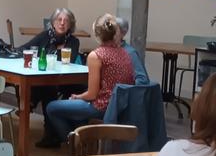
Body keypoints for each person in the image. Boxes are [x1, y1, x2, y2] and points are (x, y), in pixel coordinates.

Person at [41, 13, 134, 146]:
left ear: (97, 34)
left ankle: (74, 144)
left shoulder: (96, 55)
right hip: (121, 106)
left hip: (102, 106)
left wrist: (77, 97)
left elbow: (92, 94)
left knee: (52, 107)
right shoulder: (125, 53)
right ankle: (85, 140)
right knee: (73, 108)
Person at [24, 8, 81, 132]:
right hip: (45, 79)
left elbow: (68, 60)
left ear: (70, 24)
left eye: (66, 21)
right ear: (53, 22)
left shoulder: (74, 41)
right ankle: (50, 134)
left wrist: (48, 54)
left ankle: (31, 104)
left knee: (47, 88)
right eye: (59, 20)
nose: (62, 23)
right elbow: (25, 48)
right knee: (45, 87)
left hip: (64, 80)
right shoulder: (44, 36)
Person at [115, 16, 151, 85]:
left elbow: (143, 79)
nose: (110, 34)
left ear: (123, 33)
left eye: (114, 31)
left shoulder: (130, 53)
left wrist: (123, 85)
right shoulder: (103, 51)